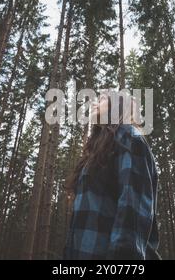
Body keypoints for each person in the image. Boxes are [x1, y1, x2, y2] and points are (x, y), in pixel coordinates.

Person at [63, 91, 161, 260]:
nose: (94, 102)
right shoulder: (97, 152)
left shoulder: (128, 136)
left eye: (101, 99)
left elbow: (132, 209)